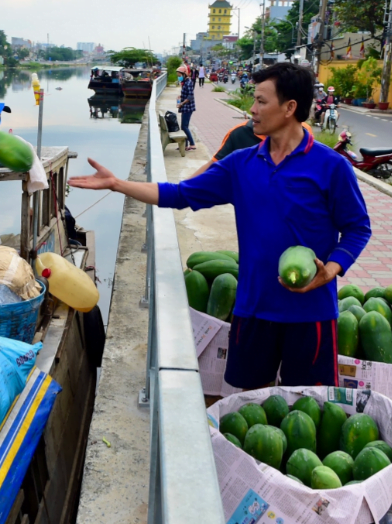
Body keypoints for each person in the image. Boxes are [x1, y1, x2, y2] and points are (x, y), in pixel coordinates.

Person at [68, 63, 372, 388]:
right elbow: (179, 194)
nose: (252, 110)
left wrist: (331, 269)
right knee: (247, 400)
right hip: (254, 309)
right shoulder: (241, 164)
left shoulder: (331, 167)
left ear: (289, 108)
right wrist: (118, 184)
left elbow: (357, 228)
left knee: (309, 407)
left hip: (311, 314)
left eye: (261, 101)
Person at [176, 64, 197, 151]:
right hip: (185, 107)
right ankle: (185, 145)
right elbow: (186, 94)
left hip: (187, 107)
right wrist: (181, 97)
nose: (179, 77)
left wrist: (182, 103)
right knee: (184, 126)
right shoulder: (185, 82)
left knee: (184, 126)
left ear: (184, 74)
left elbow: (190, 96)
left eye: (180, 75)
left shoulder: (188, 83)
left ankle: (192, 144)